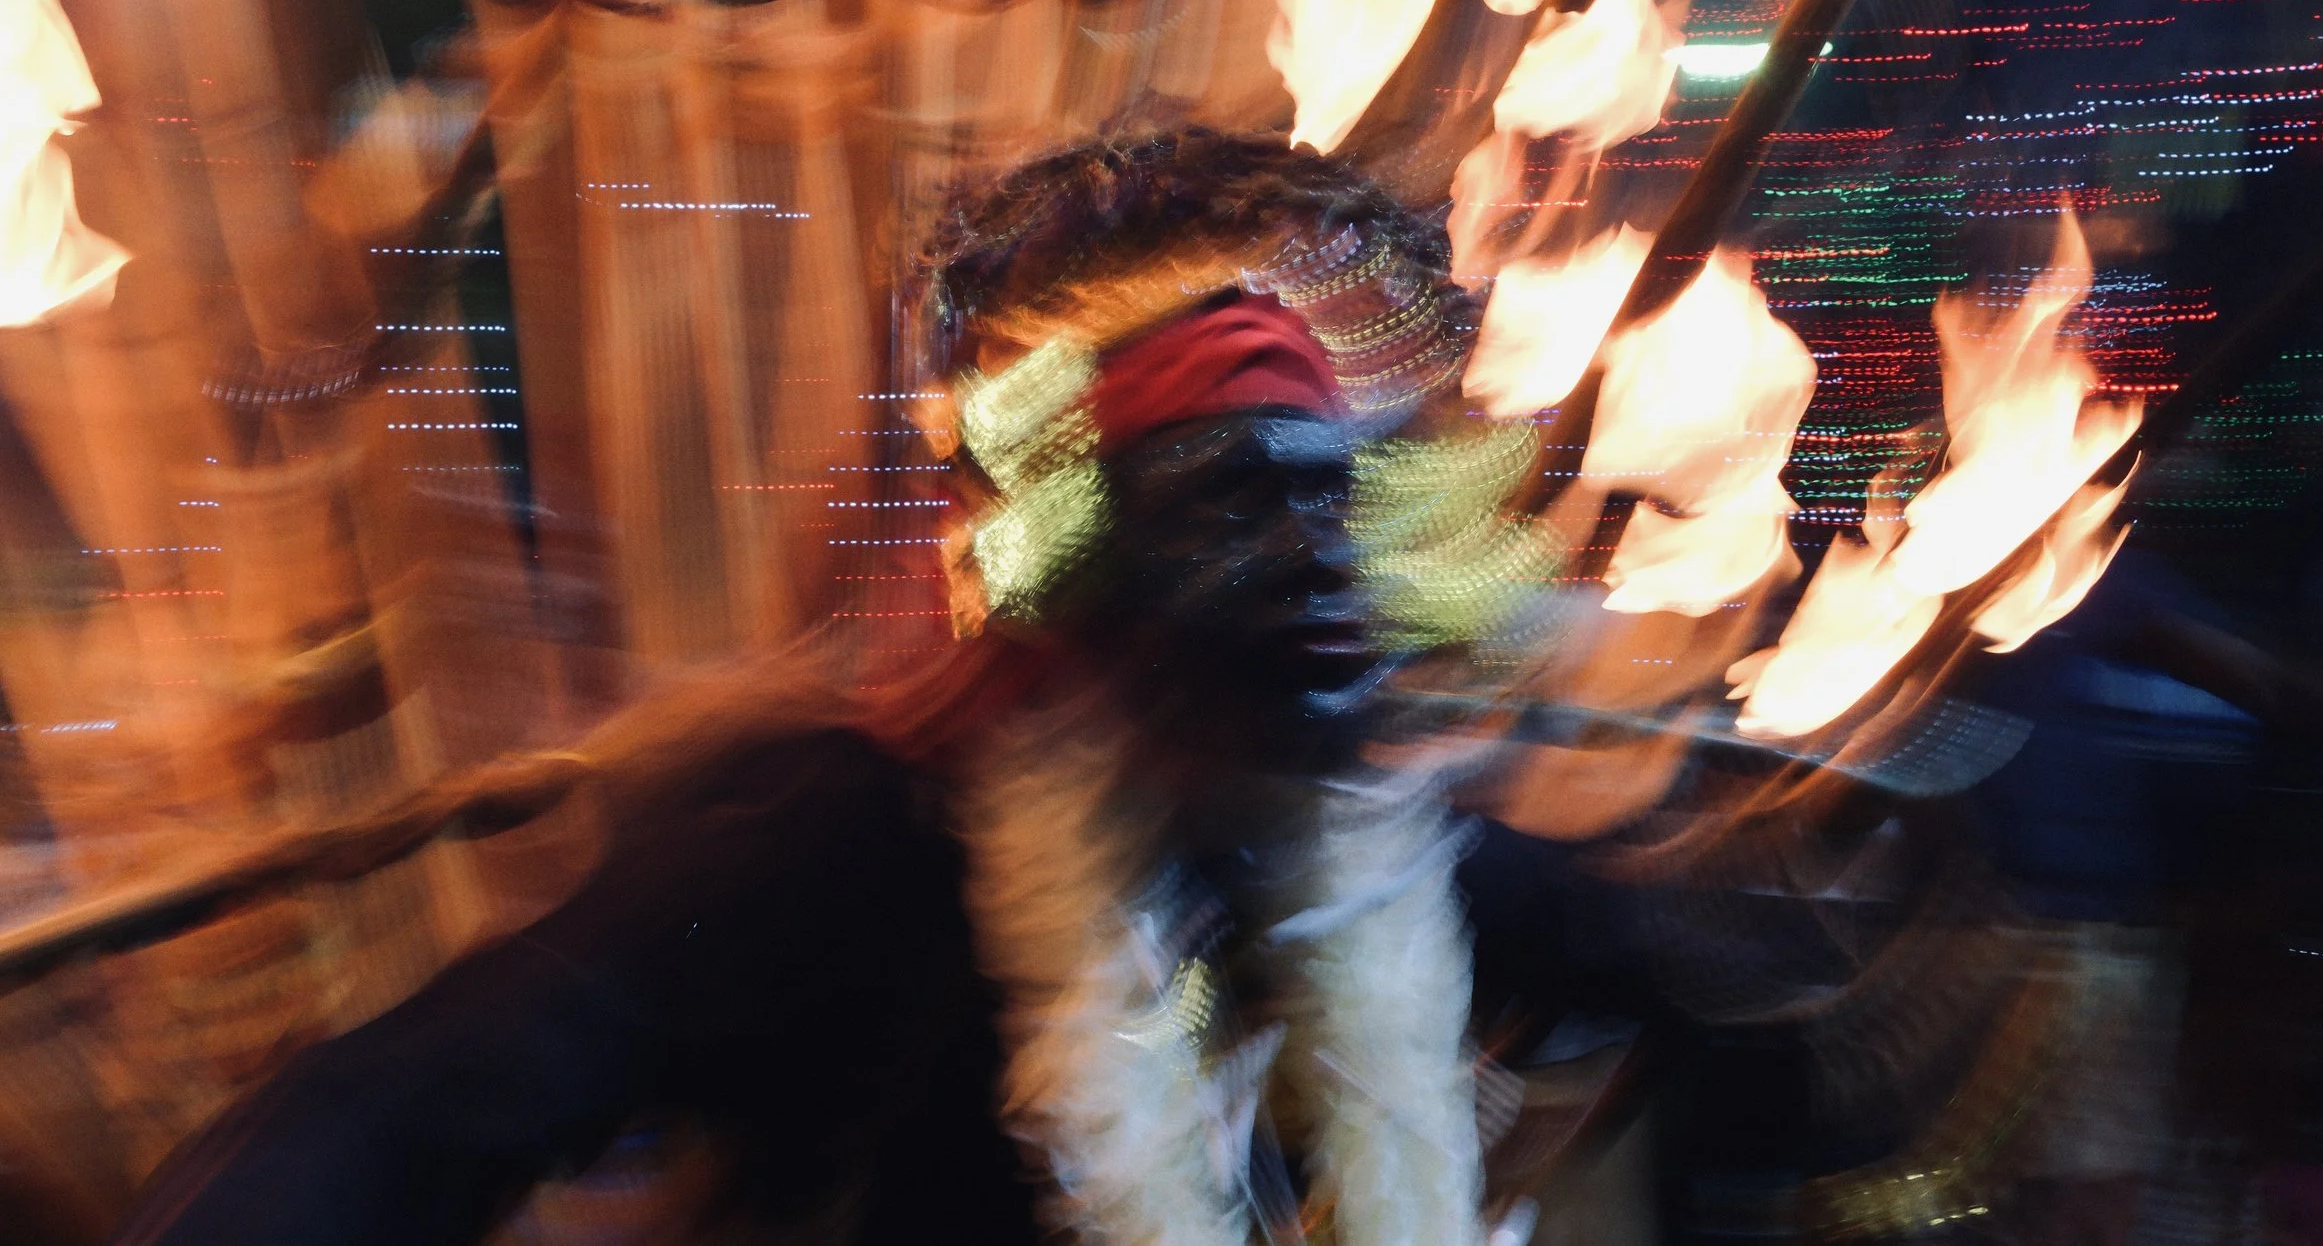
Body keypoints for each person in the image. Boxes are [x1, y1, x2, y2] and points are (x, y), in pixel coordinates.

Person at [111, 132, 1508, 1246]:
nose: (1311, 567)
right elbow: (399, 1112)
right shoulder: (845, 837)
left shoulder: (1369, 832)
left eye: (1325, 503)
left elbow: (1666, 937)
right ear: (1082, 572)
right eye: (1226, 505)